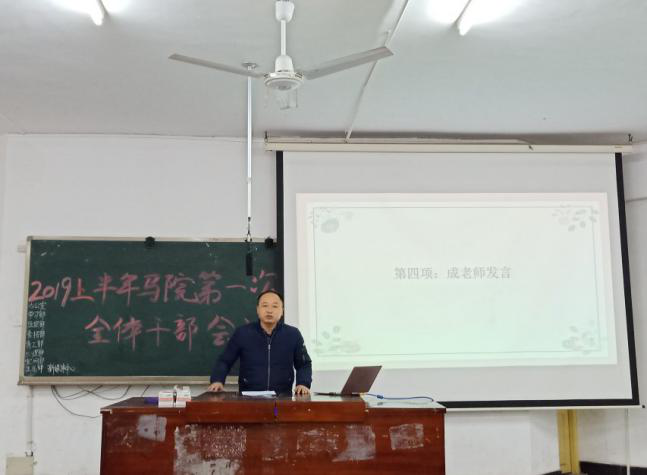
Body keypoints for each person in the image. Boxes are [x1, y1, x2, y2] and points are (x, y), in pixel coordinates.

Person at [208, 289, 312, 395]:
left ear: (282, 311)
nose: (269, 310)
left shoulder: (293, 334)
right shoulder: (243, 333)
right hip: (248, 396)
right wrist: (217, 380)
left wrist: (303, 383)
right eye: (265, 305)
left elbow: (304, 364)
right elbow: (225, 361)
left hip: (283, 396)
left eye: (275, 306)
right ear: (258, 309)